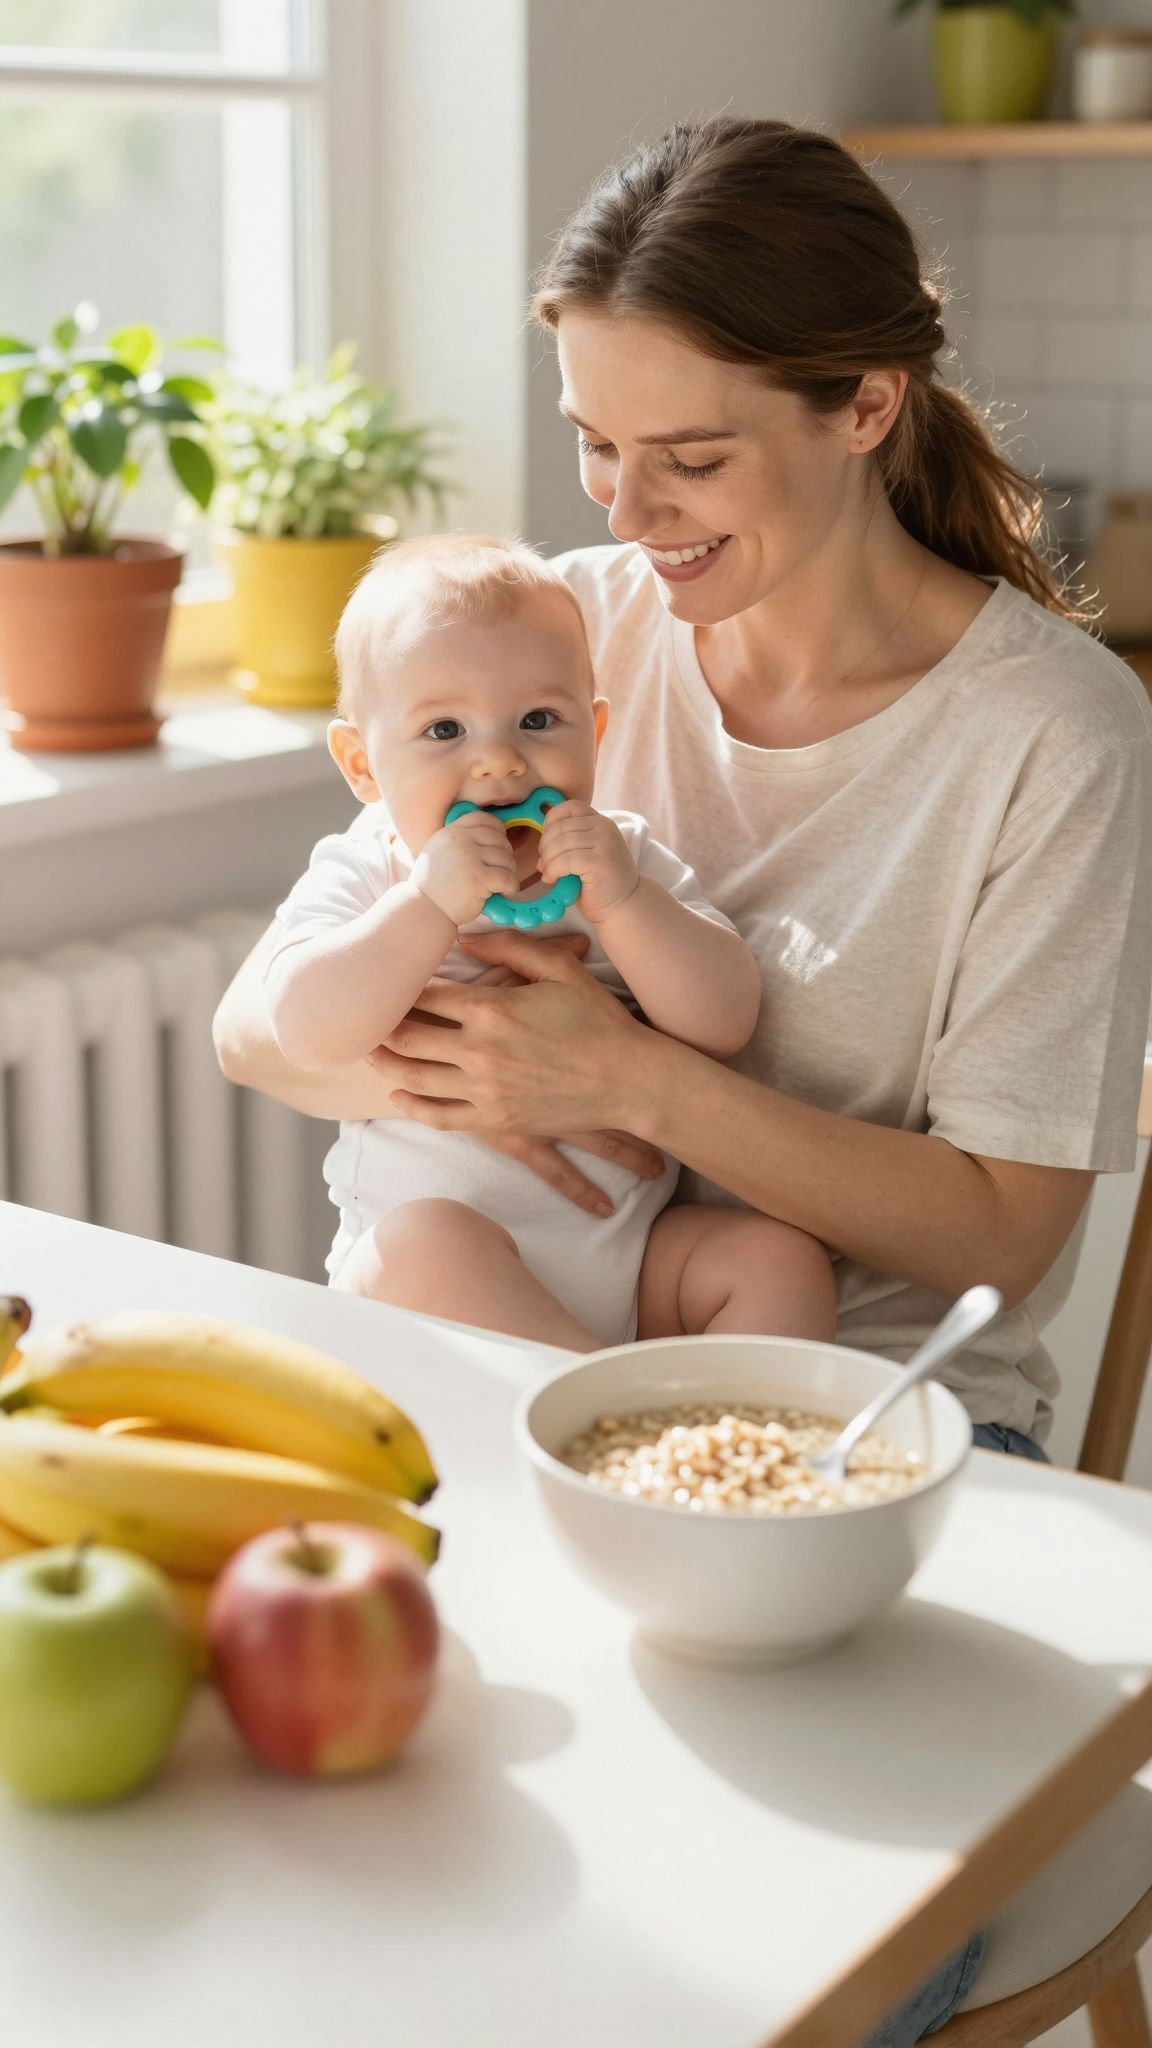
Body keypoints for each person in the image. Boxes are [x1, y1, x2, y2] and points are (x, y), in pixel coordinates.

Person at [214, 115, 1152, 2040]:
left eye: (690, 457)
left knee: (699, 1979)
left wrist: (623, 1079)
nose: (630, 512)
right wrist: (437, 1049)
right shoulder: (563, 629)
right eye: (594, 445)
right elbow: (258, 1025)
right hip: (495, 1372)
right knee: (352, 1907)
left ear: (866, 402)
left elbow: (1010, 1233)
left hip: (882, 1429)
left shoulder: (1048, 735)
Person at [263, 532, 837, 1349]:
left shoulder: (621, 855)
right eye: (443, 732)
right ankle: (613, 1434)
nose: (499, 763)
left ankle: (746, 1456)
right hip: (427, 1297)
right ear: (362, 766)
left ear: (595, 732)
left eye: (538, 720)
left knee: (775, 1260)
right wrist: (429, 905)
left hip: (626, 1271)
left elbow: (725, 1020)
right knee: (425, 1244)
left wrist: (629, 903)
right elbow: (305, 1029)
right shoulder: (370, 871)